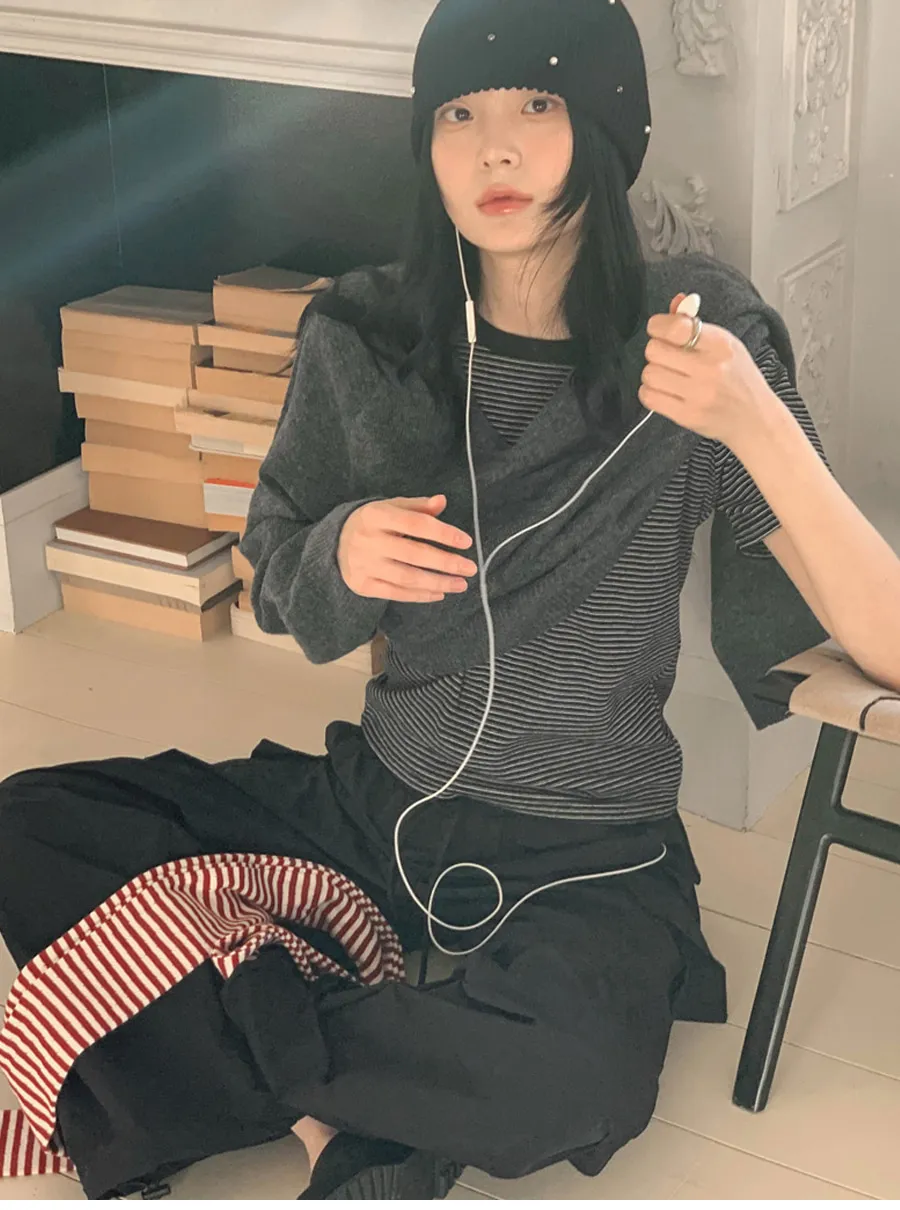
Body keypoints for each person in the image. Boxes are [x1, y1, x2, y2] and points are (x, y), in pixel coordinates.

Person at [4, 0, 897, 1200]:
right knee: (32, 825)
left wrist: (757, 424)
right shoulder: (366, 332)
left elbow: (885, 642)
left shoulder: (695, 343)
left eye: (537, 103)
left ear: (605, 125)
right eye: (458, 115)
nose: (495, 149)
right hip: (375, 806)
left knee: (570, 1080)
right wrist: (339, 555)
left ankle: (242, 1020)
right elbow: (276, 575)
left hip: (590, 850)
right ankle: (348, 1111)